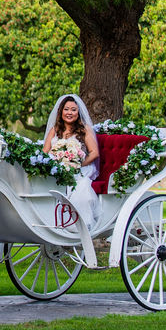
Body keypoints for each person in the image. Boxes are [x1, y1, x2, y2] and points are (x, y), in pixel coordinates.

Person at [43, 94, 101, 230]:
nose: (69, 113)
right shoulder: (55, 130)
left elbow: (94, 153)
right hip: (57, 170)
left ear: (78, 112)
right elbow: (45, 152)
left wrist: (77, 164)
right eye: (66, 109)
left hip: (80, 169)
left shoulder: (84, 129)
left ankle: (77, 225)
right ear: (61, 111)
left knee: (81, 187)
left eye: (73, 110)